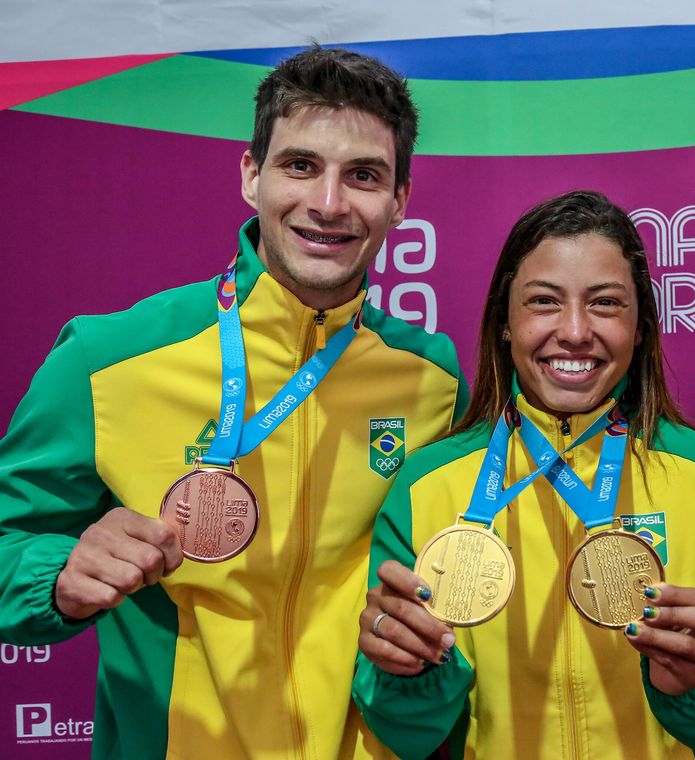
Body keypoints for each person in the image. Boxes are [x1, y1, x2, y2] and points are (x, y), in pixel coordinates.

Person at [0, 47, 467, 759]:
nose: (330, 204)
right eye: (300, 165)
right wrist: (57, 575)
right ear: (252, 175)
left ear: (400, 199)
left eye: (364, 176)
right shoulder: (107, 359)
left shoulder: (433, 378)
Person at [352, 190, 695, 759]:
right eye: (543, 302)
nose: (576, 332)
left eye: (606, 303)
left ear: (640, 327)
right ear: (505, 322)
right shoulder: (425, 483)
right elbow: (402, 731)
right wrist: (406, 673)